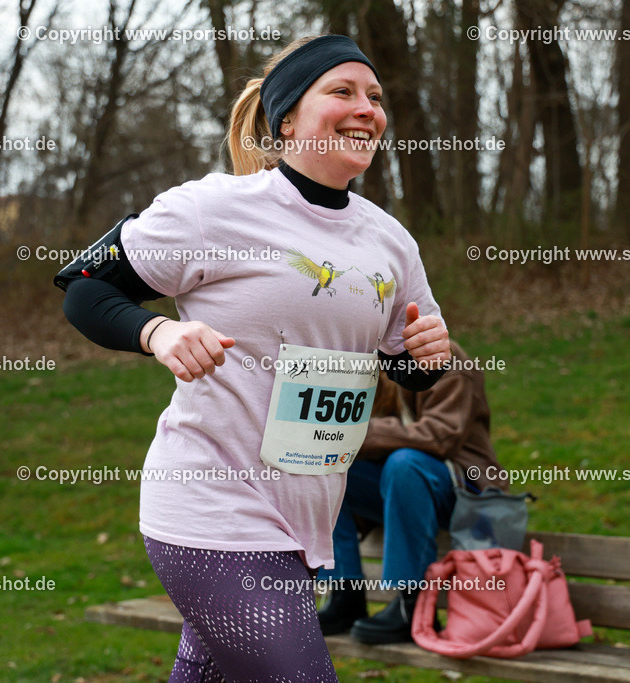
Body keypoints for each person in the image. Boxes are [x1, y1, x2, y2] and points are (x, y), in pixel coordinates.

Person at [59, 34, 451, 681]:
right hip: (209, 508)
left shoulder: (390, 241)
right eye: (343, 91)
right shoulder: (214, 209)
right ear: (288, 117)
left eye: (375, 98)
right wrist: (158, 335)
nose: (367, 109)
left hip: (301, 521)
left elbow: (406, 361)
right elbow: (84, 286)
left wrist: (426, 357)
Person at [316, 340, 509, 645]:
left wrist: (360, 433)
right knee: (328, 463)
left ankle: (413, 604)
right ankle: (345, 596)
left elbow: (441, 436)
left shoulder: (445, 357)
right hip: (403, 489)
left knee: (405, 464)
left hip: (464, 490)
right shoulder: (368, 360)